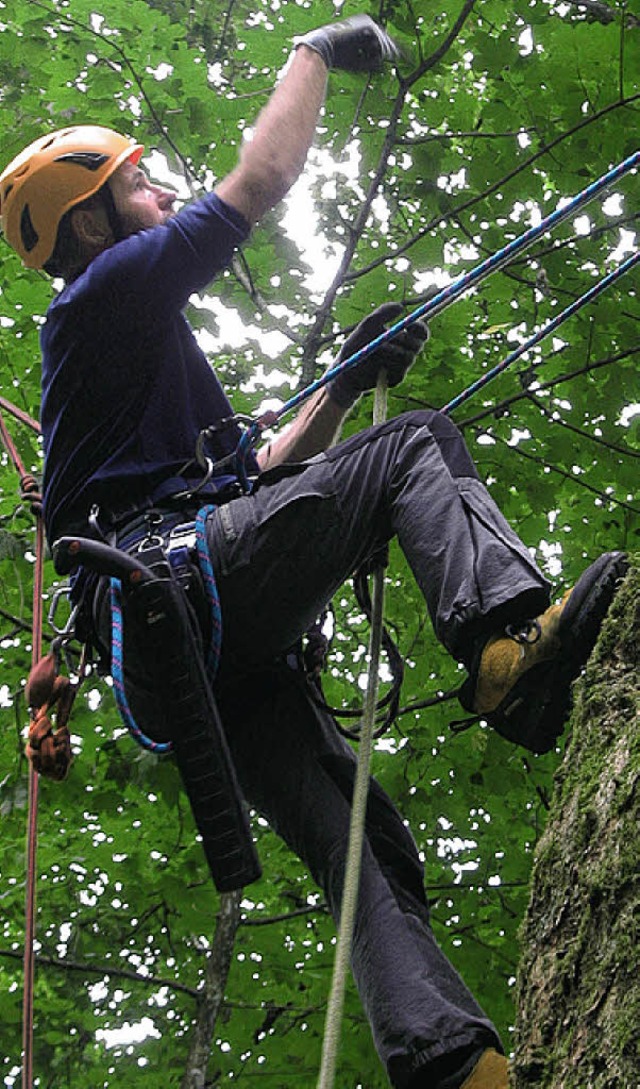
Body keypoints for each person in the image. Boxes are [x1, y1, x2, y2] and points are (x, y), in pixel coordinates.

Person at [0, 15, 627, 1089]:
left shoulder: (133, 360)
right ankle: (500, 649)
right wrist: (312, 52)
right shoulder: (102, 299)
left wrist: (342, 378)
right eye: (143, 189)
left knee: (360, 852)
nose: (163, 201)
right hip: (182, 583)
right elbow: (262, 176)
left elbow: (272, 476)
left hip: (190, 648)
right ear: (93, 221)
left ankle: (452, 1066)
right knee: (416, 442)